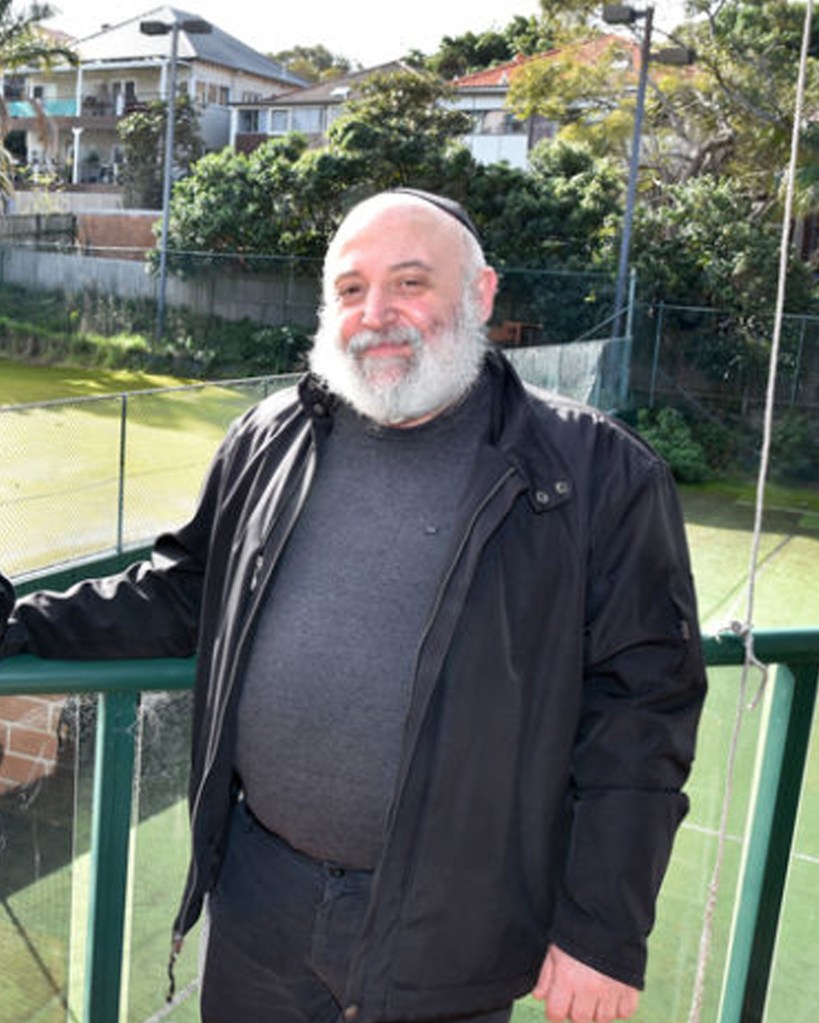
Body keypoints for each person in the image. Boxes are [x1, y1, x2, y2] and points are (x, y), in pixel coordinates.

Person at [1, 189, 707, 1023]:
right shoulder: (268, 437)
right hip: (262, 902)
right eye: (349, 288)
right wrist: (18, 623)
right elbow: (181, 592)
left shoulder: (598, 473)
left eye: (410, 283)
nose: (376, 314)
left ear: (479, 294)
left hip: (452, 927)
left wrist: (602, 932)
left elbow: (643, 709)